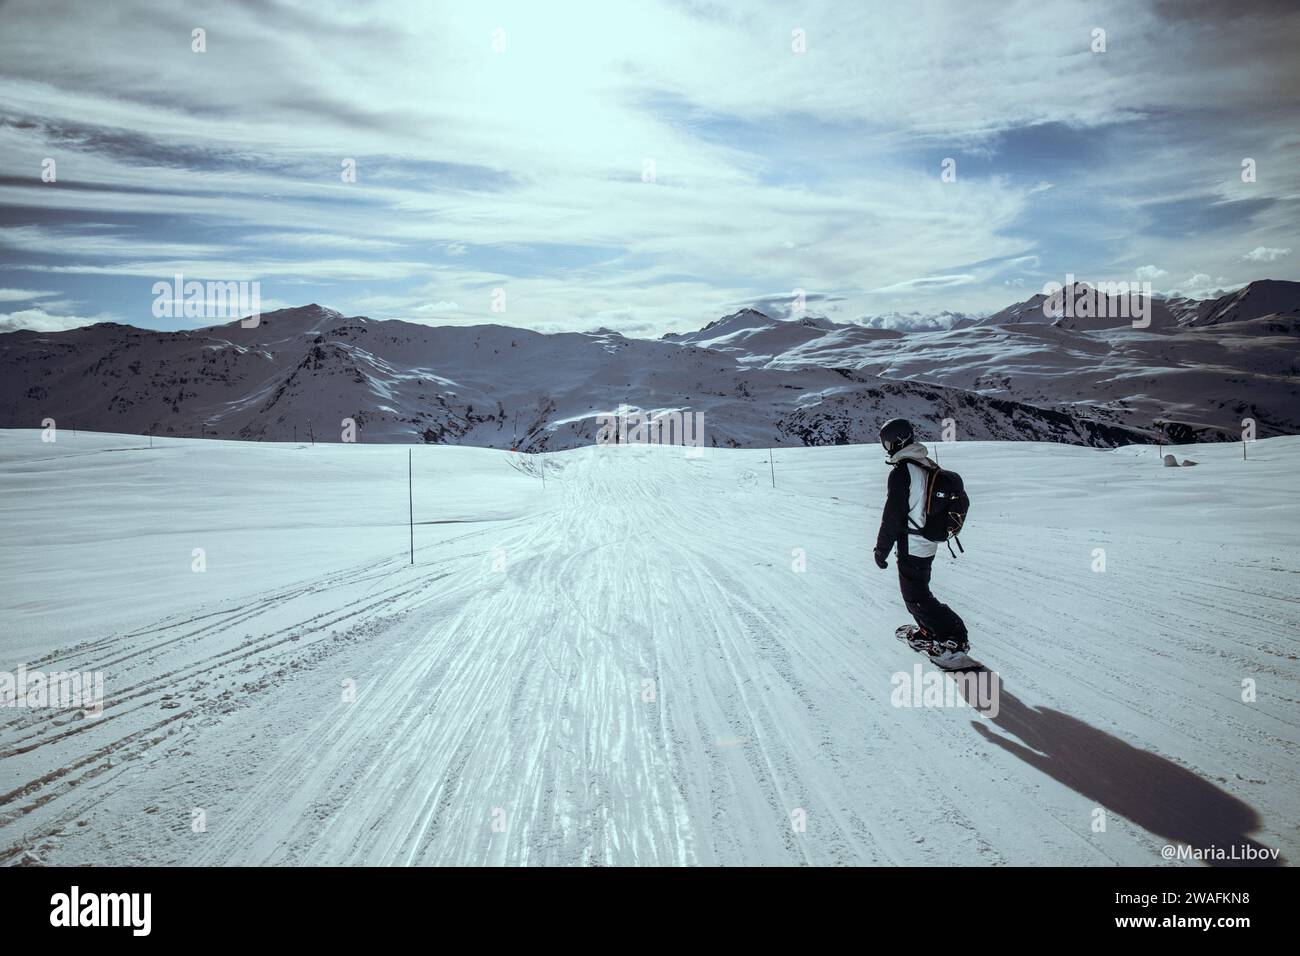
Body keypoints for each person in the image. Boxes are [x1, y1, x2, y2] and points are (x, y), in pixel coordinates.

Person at [872, 418, 969, 657]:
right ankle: (928, 632)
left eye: (887, 442)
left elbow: (892, 516)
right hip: (928, 539)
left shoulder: (902, 472)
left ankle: (954, 635)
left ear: (896, 441)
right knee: (918, 591)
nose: (886, 448)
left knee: (915, 597)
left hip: (912, 543)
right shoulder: (925, 463)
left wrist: (881, 550)